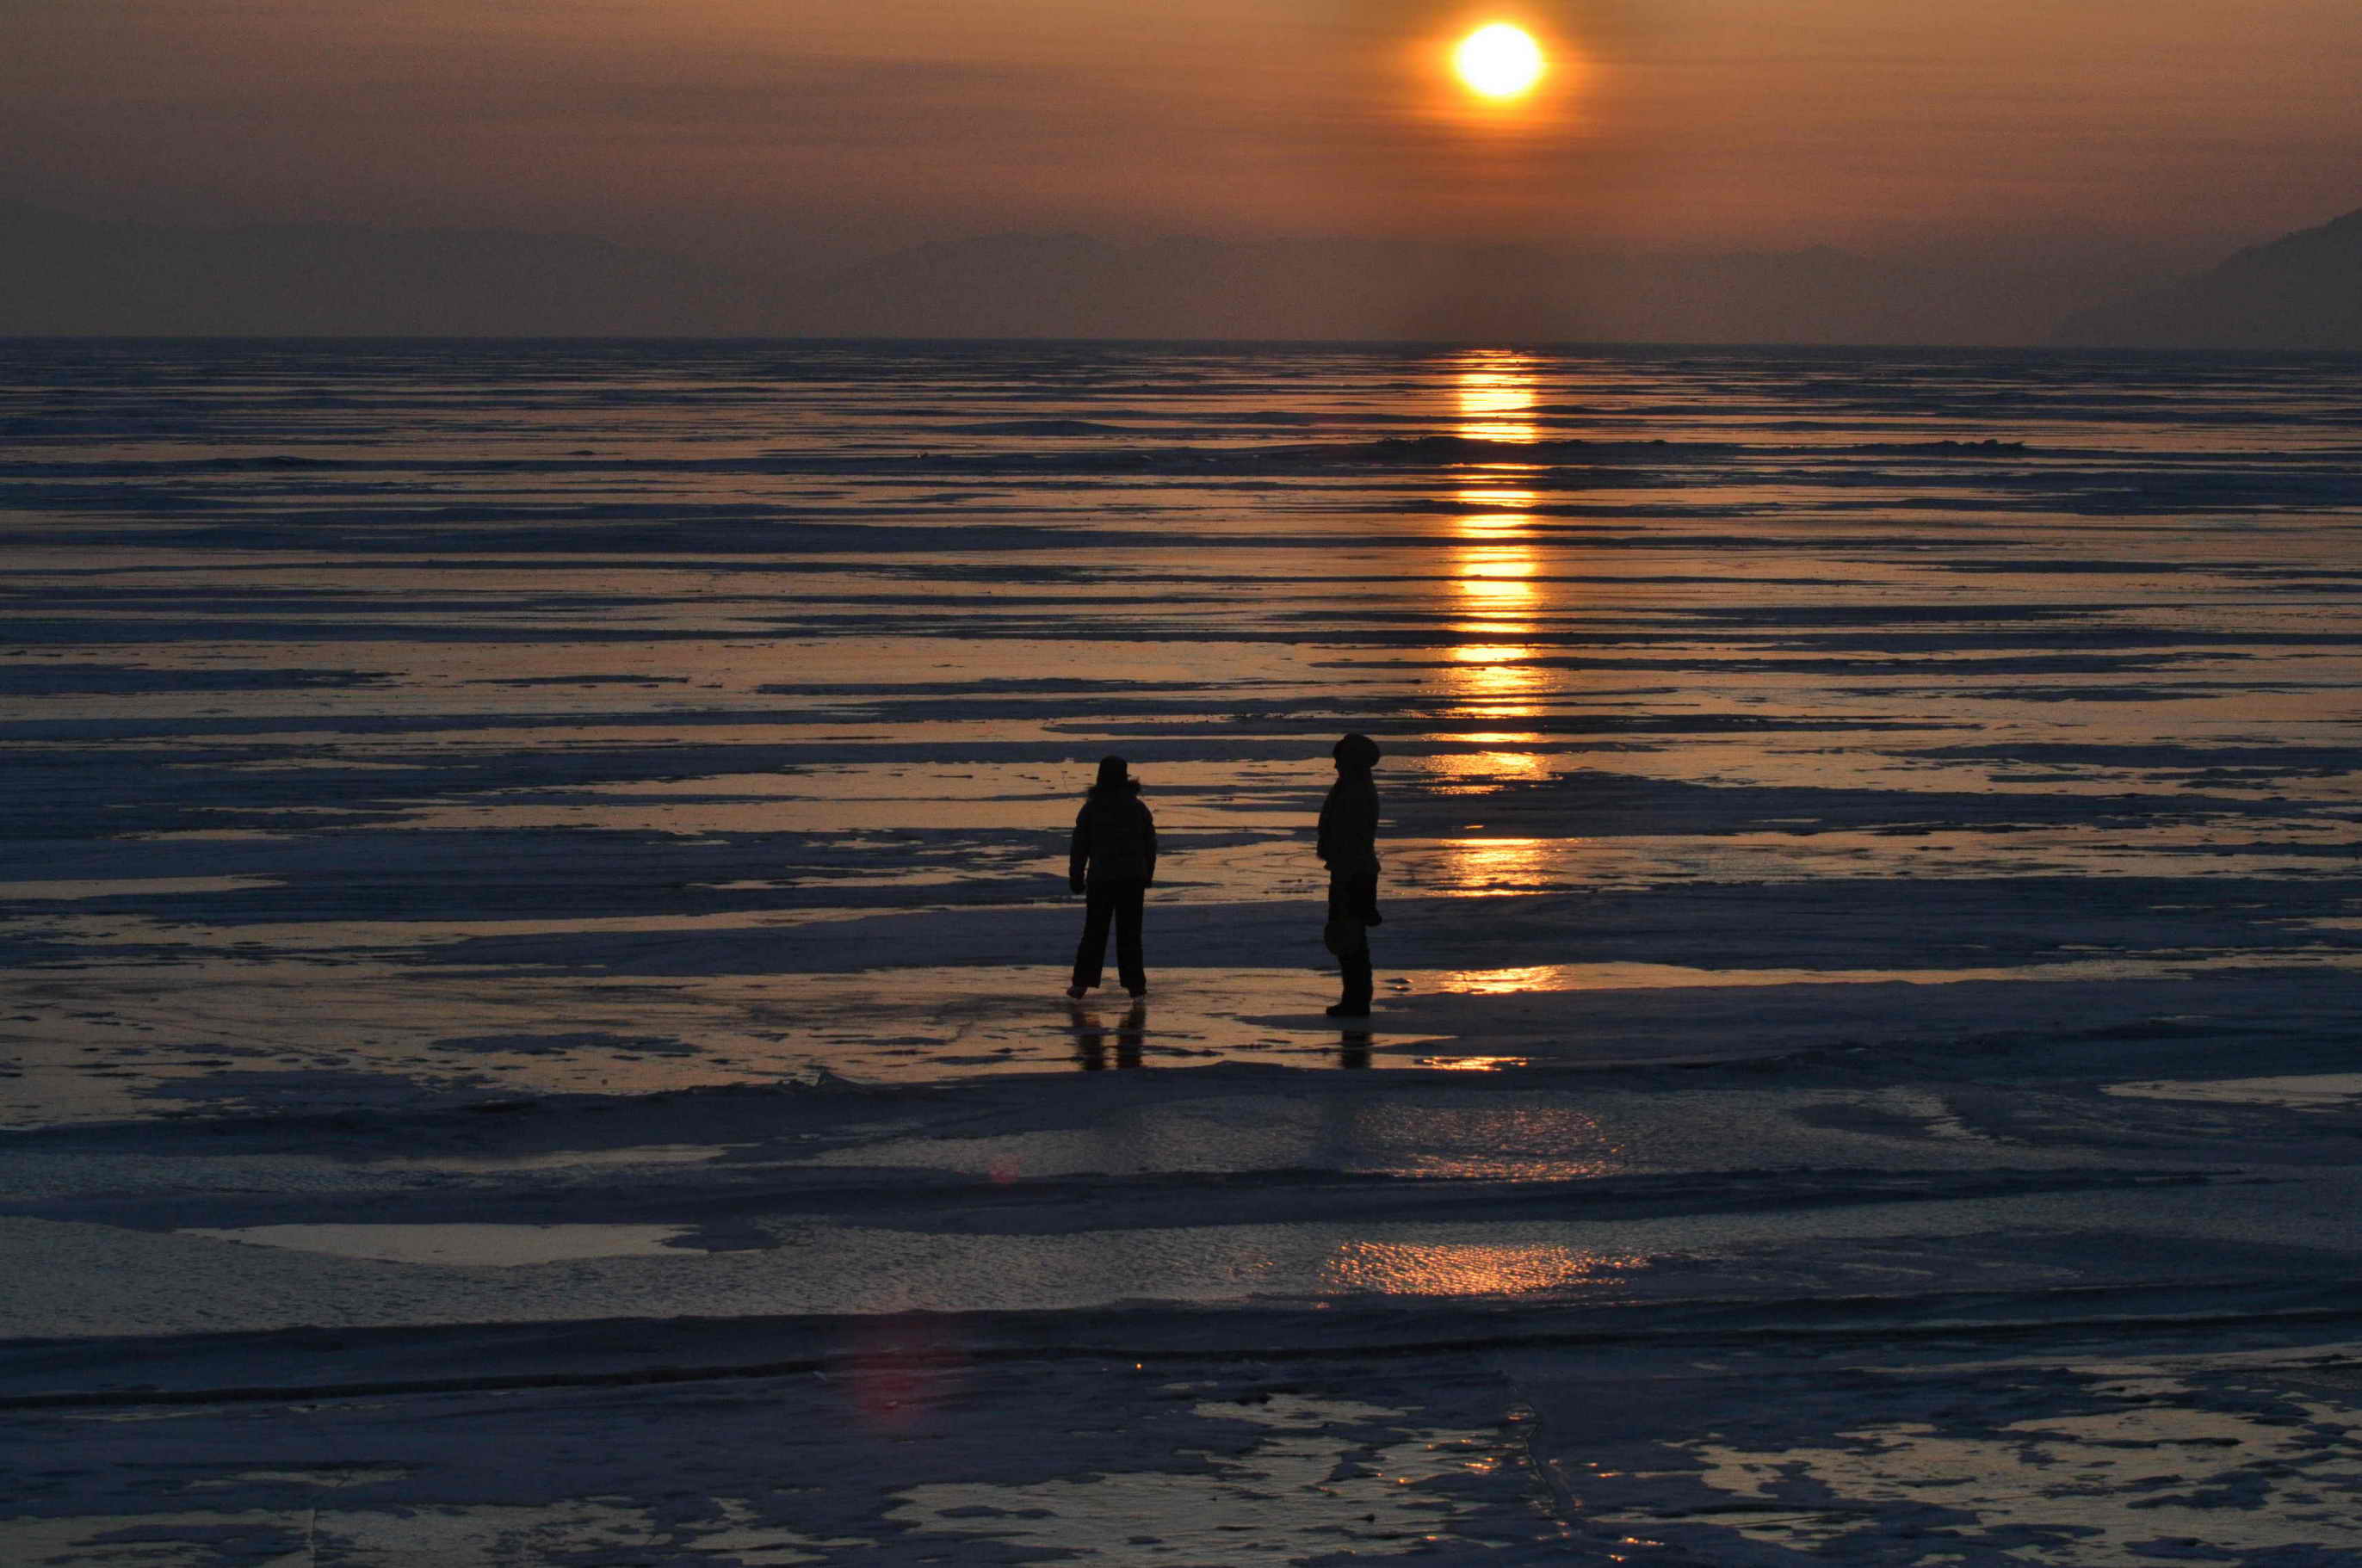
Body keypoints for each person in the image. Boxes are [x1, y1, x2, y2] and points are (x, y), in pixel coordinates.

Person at [1067, 755, 1156, 998]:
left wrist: (1076, 876)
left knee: (1095, 932)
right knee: (1130, 933)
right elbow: (1150, 844)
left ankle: (1082, 983)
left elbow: (1079, 846)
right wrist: (1147, 873)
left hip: (1102, 879)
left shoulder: (1092, 808)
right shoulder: (1137, 807)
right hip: (1131, 879)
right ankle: (1135, 985)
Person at [1318, 732, 1382, 1017]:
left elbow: (1351, 835)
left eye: (1339, 760)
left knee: (1350, 937)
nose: (1335, 766)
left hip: (1354, 872)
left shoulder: (1356, 791)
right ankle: (1354, 999)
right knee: (1349, 937)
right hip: (1350, 869)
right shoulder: (1352, 786)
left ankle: (1356, 1001)